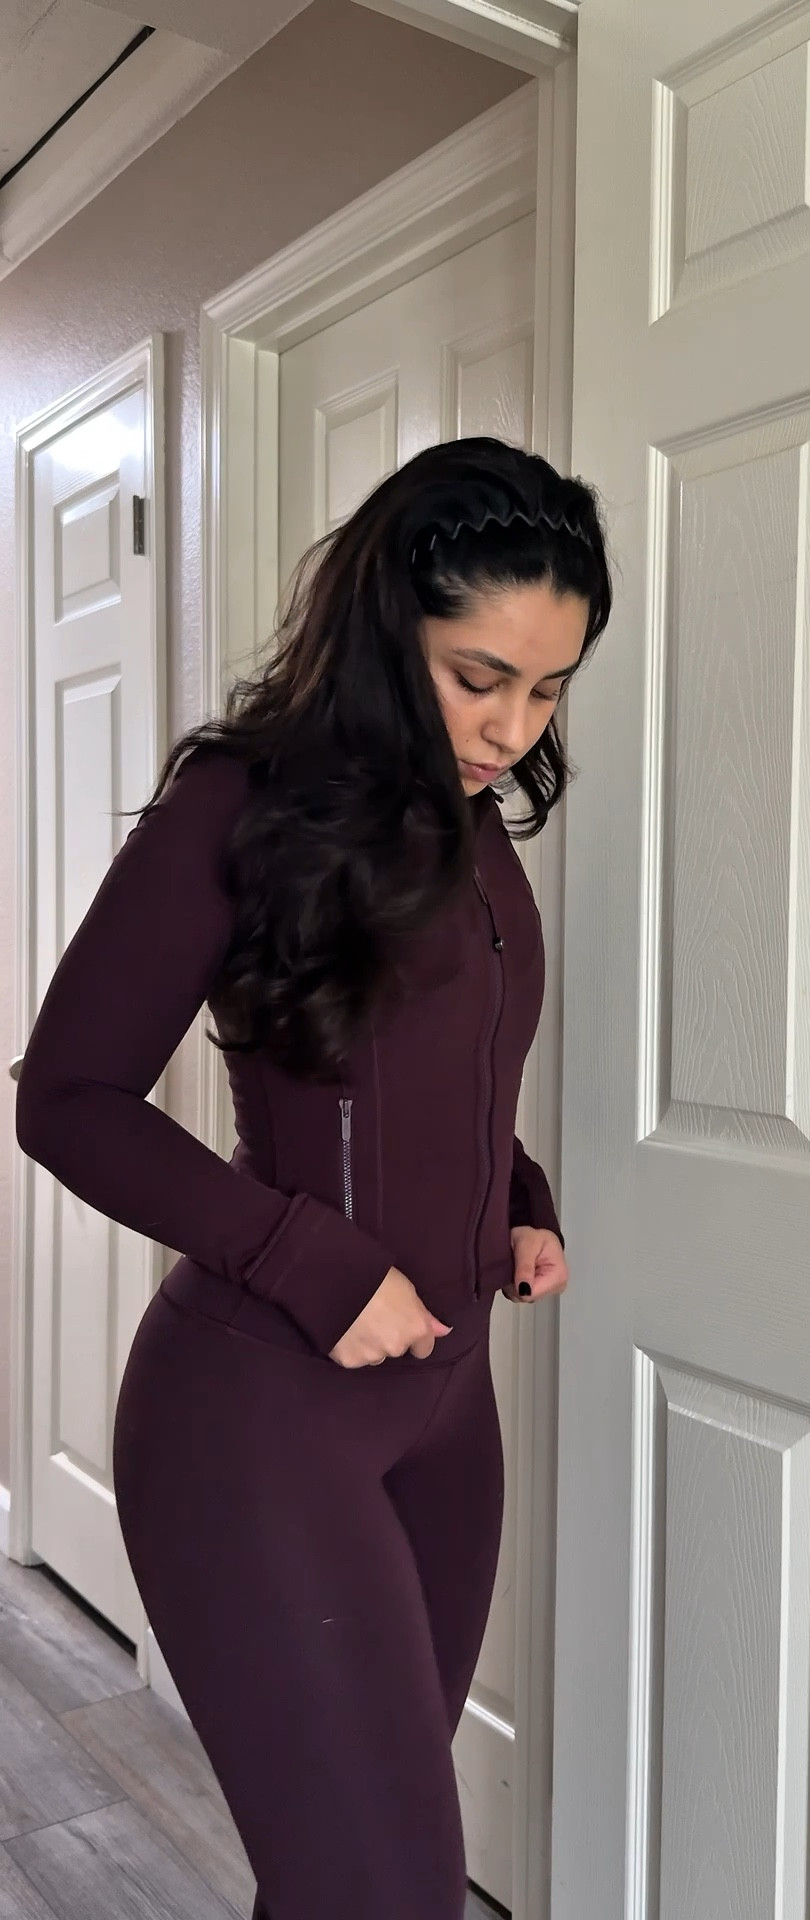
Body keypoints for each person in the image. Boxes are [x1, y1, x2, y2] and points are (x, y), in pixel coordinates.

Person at [15, 436, 612, 1920]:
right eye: (479, 677)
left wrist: (514, 1194)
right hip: (261, 1419)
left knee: (355, 1880)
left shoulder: (474, 827)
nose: (511, 728)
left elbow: (422, 1074)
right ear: (387, 624)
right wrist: (320, 1266)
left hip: (447, 1414)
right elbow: (67, 1100)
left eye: (549, 689)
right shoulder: (238, 805)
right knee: (384, 1893)